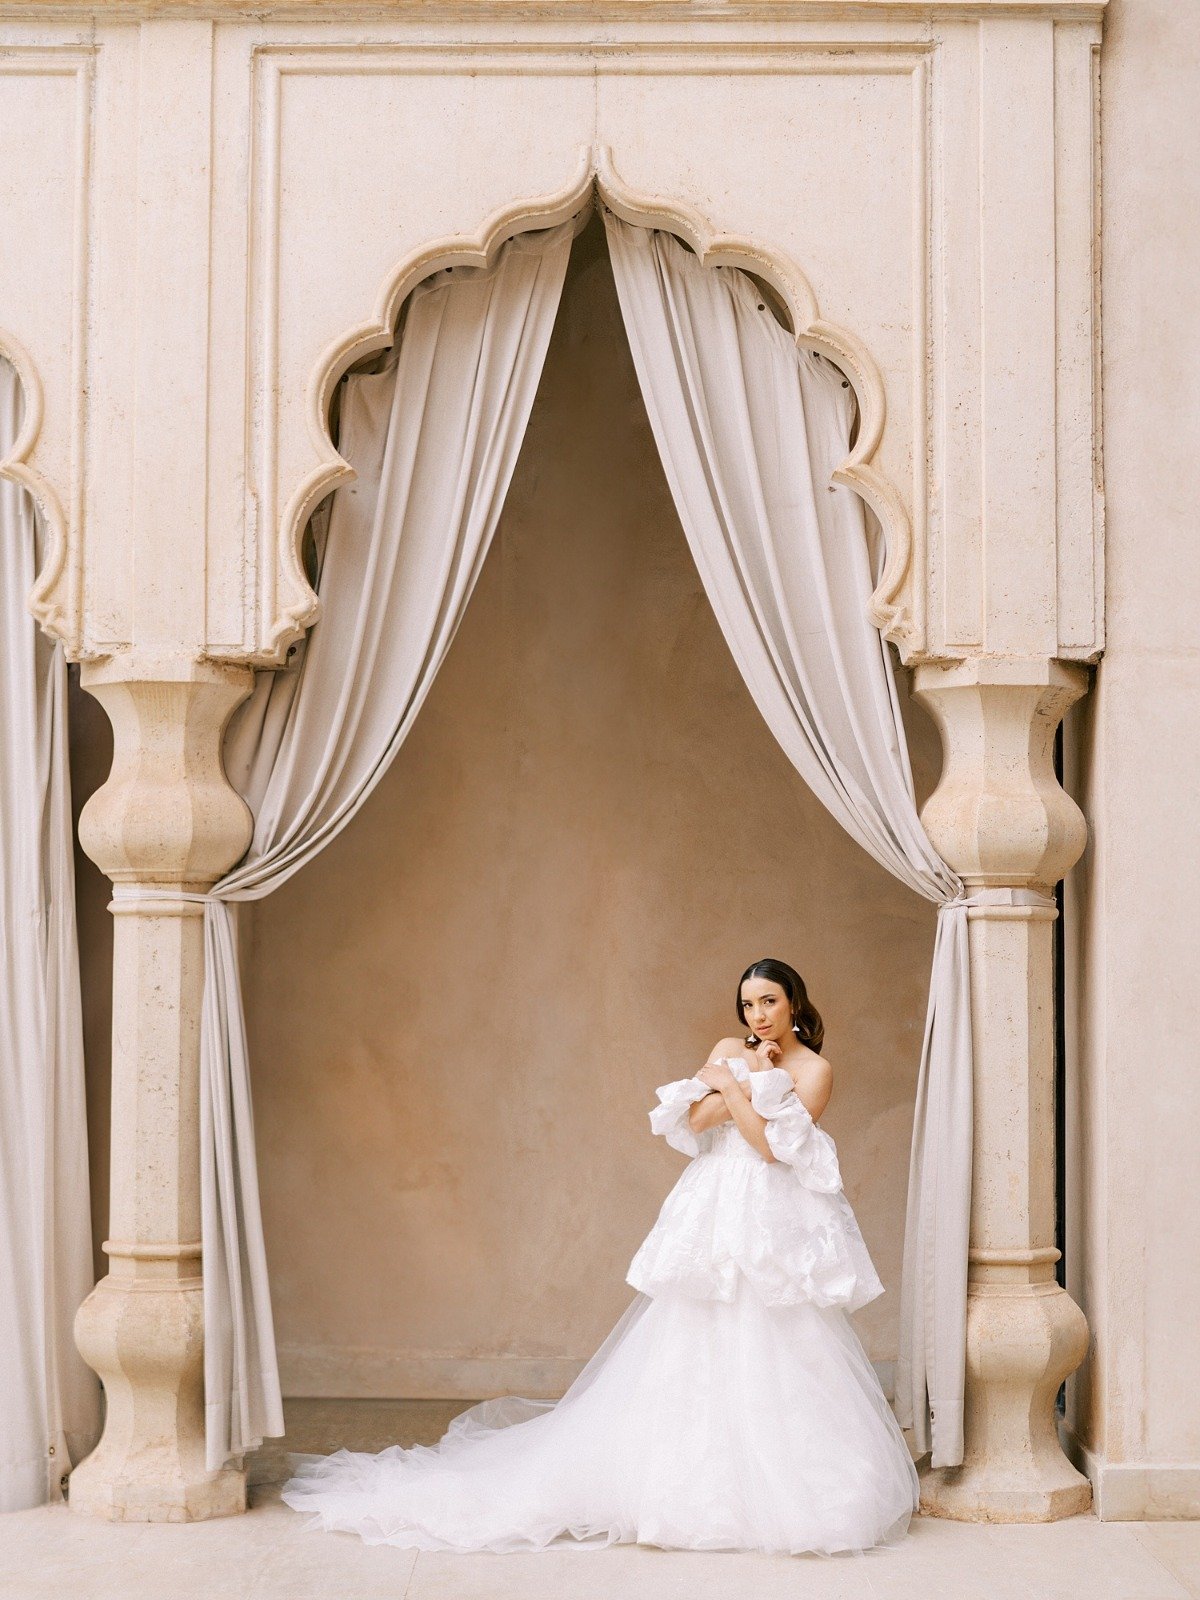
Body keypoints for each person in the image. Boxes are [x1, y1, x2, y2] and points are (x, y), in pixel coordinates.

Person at [280, 958, 920, 1556]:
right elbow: (695, 1124)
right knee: (696, 1323)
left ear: (794, 1002)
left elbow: (772, 1151)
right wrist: (736, 1078)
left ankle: (787, 1482)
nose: (756, 1017)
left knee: (780, 1326)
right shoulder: (730, 1052)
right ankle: (682, 1481)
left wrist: (735, 1087)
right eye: (748, 1004)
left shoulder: (813, 1071)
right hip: (716, 1201)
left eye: (769, 1002)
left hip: (772, 1212)